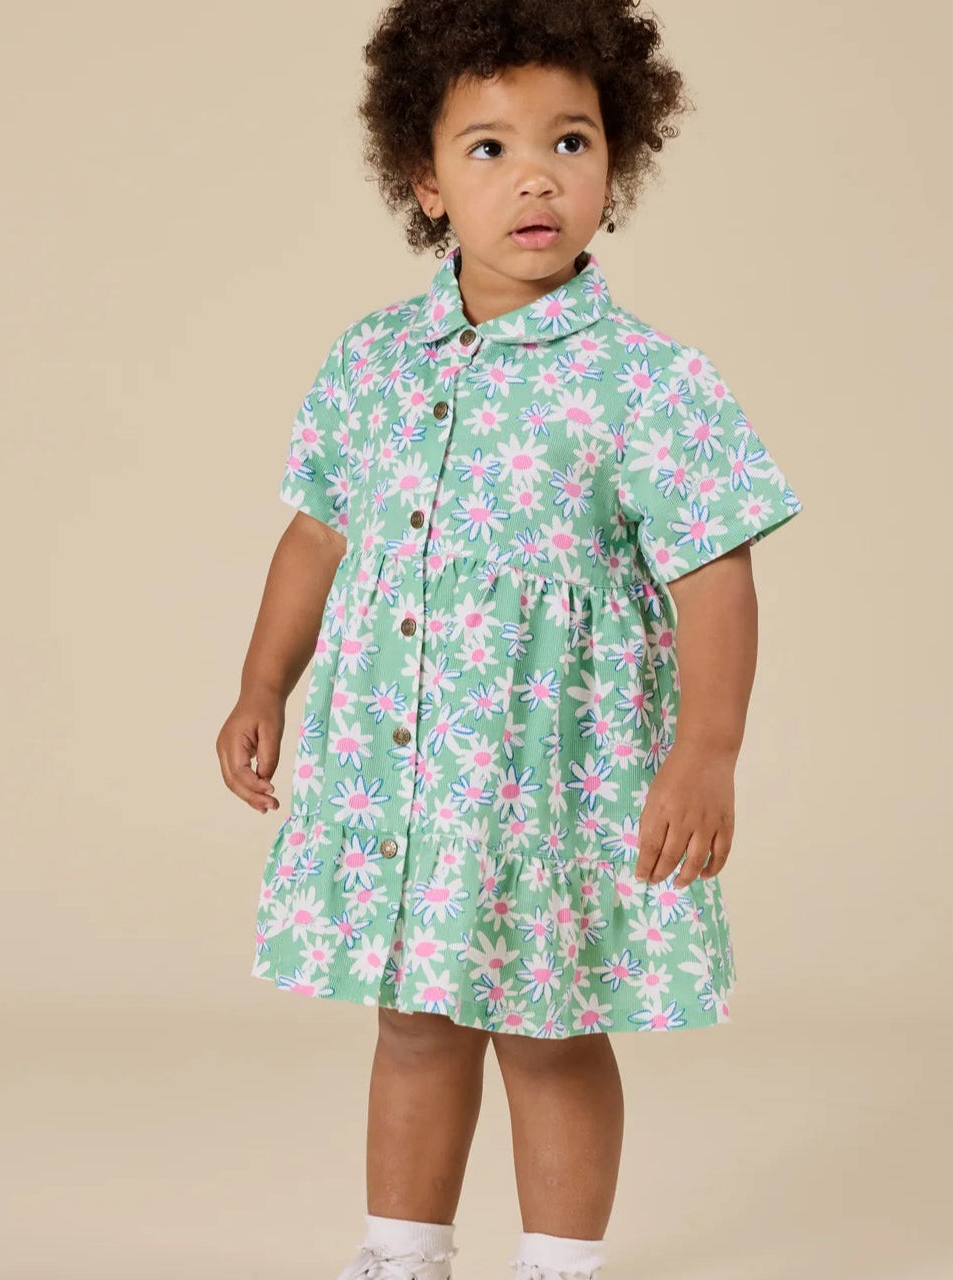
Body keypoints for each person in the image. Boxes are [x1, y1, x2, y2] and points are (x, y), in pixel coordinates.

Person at [217, 2, 804, 1277]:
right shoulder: (373, 359)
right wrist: (264, 681)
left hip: (551, 786)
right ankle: (401, 1250)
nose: (534, 177)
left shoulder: (647, 380)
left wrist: (705, 750)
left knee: (549, 1028)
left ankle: (557, 1263)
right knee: (413, 1017)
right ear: (424, 179)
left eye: (569, 142)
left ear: (615, 164)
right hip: (404, 781)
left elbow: (715, 573)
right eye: (488, 148)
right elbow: (316, 533)